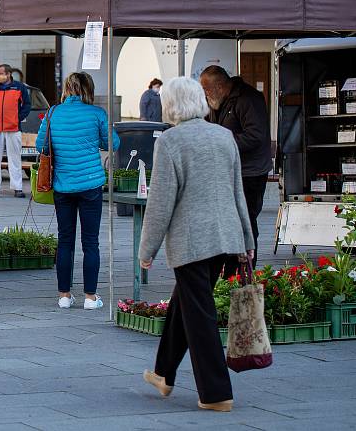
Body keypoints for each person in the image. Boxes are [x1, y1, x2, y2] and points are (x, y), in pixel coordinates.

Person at [138, 77, 254, 413]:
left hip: (191, 242)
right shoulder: (224, 136)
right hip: (225, 238)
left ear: (171, 104)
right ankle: (163, 373)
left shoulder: (171, 141)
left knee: (199, 315)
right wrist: (246, 239)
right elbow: (237, 192)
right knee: (184, 306)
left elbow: (161, 201)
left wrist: (147, 251)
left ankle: (216, 393)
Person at [35, 72, 119, 310]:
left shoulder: (53, 113)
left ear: (67, 89)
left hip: (63, 185)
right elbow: (112, 143)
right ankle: (91, 297)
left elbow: (42, 144)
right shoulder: (97, 114)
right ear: (88, 89)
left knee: (65, 240)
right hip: (91, 184)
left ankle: (64, 295)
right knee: (91, 242)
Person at [199, 65, 272, 272]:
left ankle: (244, 271)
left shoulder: (249, 99)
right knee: (229, 221)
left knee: (246, 220)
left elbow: (255, 136)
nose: (204, 94)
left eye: (207, 89)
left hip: (251, 172)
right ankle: (231, 270)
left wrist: (222, 142)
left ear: (220, 86)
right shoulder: (217, 101)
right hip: (229, 171)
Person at [0, 63, 31, 198]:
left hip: (13, 128)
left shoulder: (19, 87)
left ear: (8, 74)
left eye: (1, 73)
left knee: (14, 159)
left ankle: (18, 188)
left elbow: (27, 105)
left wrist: (17, 118)